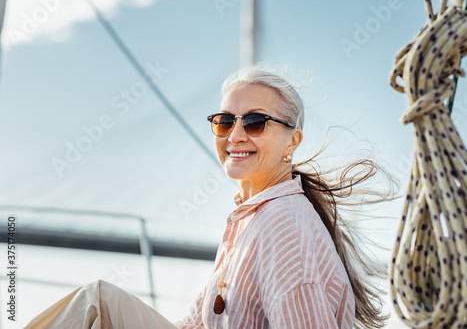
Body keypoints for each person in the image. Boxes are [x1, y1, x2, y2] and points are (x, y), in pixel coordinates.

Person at [26, 64, 393, 329]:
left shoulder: (284, 224)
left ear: (292, 141)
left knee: (99, 303)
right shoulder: (249, 218)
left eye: (254, 122)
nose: (235, 135)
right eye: (224, 121)